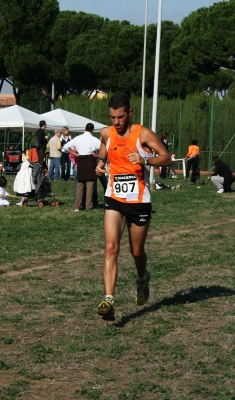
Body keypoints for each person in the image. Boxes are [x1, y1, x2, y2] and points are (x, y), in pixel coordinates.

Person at [94, 93, 172, 319]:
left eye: (120, 117)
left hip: (139, 201)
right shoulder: (107, 132)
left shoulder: (143, 134)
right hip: (114, 198)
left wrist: (144, 160)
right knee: (111, 247)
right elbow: (103, 148)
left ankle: (142, 279)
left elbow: (166, 158)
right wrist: (100, 163)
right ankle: (108, 300)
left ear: (129, 113)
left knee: (136, 252)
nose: (116, 122)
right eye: (112, 117)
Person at [63, 123, 101, 212]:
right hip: (90, 161)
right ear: (92, 130)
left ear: (85, 129)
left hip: (81, 161)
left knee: (80, 186)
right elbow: (103, 148)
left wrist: (75, 154)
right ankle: (89, 206)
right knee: (90, 186)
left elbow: (65, 147)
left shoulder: (77, 138)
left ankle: (77, 206)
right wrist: (97, 155)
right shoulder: (94, 139)